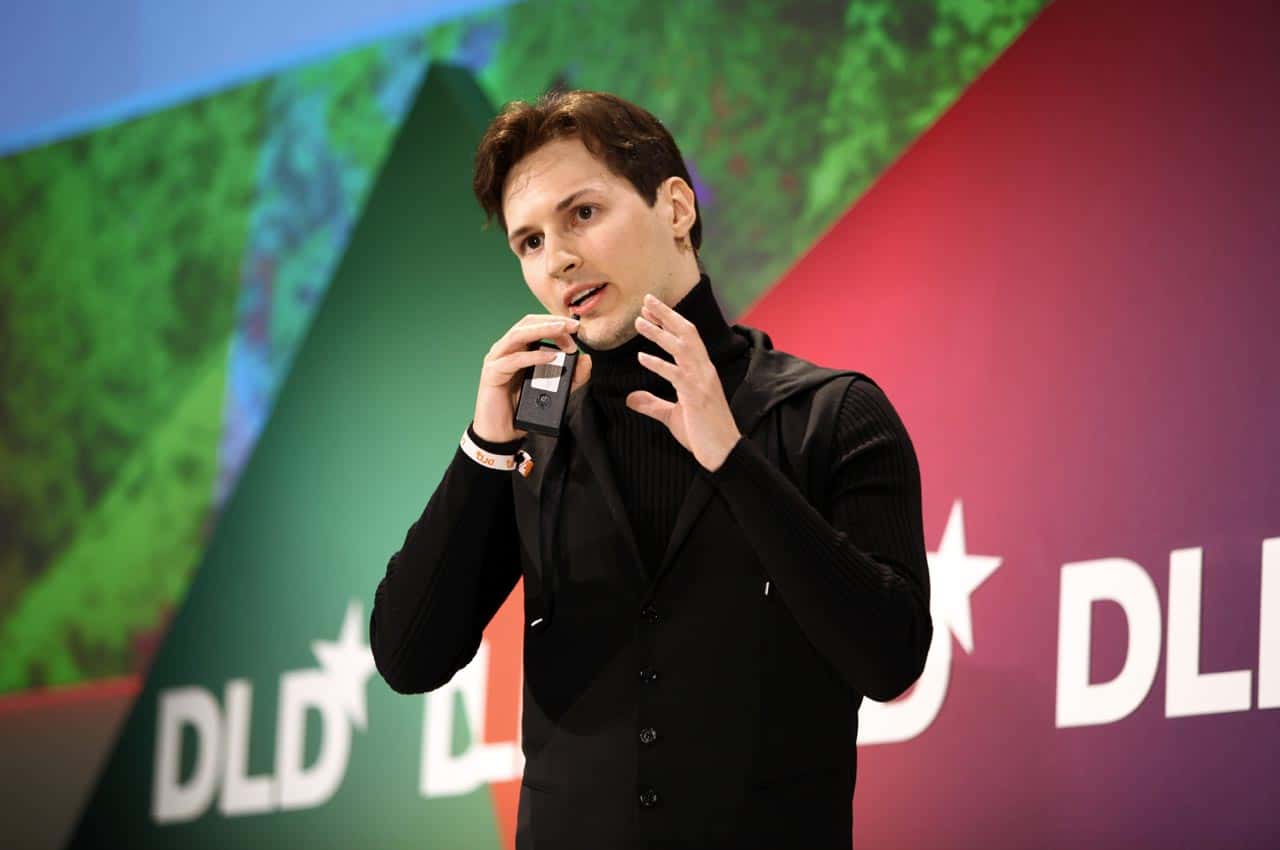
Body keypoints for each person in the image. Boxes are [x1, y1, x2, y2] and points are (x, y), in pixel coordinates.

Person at [370, 89, 931, 850]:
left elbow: (891, 659)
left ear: (675, 208)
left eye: (583, 213)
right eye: (529, 242)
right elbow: (408, 657)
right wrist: (484, 447)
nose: (558, 259)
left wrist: (732, 461)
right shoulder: (534, 442)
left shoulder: (831, 415)